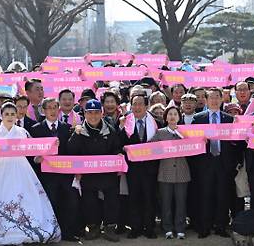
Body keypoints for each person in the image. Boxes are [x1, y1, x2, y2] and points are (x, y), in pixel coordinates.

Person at [0, 102, 60, 245]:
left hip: (21, 168)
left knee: (25, 198)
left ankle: (27, 228)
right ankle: (1, 228)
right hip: (0, 169)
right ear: (1, 115)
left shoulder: (22, 132)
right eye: (6, 114)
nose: (10, 117)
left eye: (13, 114)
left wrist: (49, 148)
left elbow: (33, 149)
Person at [69, 99, 124, 242]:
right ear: (85, 114)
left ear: (101, 113)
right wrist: (76, 134)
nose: (93, 116)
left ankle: (110, 227)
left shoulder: (110, 129)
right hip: (88, 175)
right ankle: (93, 227)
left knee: (112, 200)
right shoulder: (79, 131)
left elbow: (116, 147)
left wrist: (118, 156)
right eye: (90, 113)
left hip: (108, 173)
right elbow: (72, 151)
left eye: (96, 112)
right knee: (89, 201)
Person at [30, 98, 81, 242]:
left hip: (65, 174)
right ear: (43, 111)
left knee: (70, 202)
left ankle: (68, 232)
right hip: (47, 175)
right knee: (51, 203)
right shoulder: (36, 129)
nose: (52, 111)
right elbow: (32, 154)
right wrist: (37, 158)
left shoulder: (67, 128)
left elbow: (72, 151)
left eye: (55, 107)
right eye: (49, 108)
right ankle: (50, 233)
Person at [192, 88, 235, 238]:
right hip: (205, 163)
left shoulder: (229, 119)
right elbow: (192, 140)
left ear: (222, 99)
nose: (215, 100)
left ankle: (221, 226)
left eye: (217, 97)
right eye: (211, 97)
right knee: (205, 196)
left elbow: (233, 142)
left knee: (222, 196)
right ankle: (205, 226)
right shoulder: (198, 118)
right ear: (206, 100)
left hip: (223, 163)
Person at [122, 94, 162, 239]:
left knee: (149, 198)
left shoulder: (157, 123)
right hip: (132, 169)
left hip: (150, 169)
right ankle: (135, 228)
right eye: (134, 104)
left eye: (140, 104)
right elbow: (119, 144)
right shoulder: (125, 123)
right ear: (131, 106)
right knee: (134, 199)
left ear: (146, 106)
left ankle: (149, 228)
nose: (137, 107)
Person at [149, 106, 191, 240]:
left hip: (182, 172)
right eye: (170, 114)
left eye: (175, 114)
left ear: (179, 117)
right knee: (166, 202)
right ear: (166, 117)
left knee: (181, 202)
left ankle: (180, 228)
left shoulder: (186, 132)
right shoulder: (160, 133)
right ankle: (167, 228)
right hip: (165, 172)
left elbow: (194, 146)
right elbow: (149, 147)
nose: (172, 117)